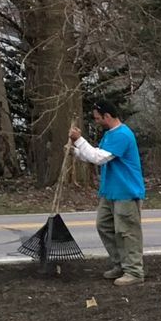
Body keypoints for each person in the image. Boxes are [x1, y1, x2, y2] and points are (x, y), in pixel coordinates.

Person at [67, 102, 147, 285]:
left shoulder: (123, 135)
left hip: (126, 192)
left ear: (107, 116)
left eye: (97, 118)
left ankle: (134, 271)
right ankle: (120, 265)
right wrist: (75, 152)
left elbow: (99, 158)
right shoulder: (109, 135)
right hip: (110, 192)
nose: (96, 121)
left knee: (127, 232)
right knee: (104, 226)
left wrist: (79, 140)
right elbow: (94, 154)